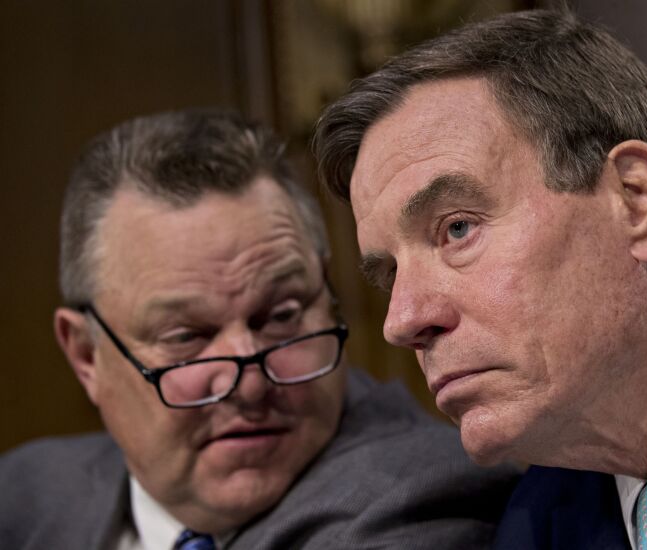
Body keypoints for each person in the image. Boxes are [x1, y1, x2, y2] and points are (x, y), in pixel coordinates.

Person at [313, 8, 647, 550]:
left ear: (636, 202)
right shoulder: (532, 525)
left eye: (457, 229)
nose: (402, 321)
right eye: (389, 273)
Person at [0, 110, 518, 549]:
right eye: (186, 337)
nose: (250, 383)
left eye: (281, 316)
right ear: (86, 355)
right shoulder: (26, 494)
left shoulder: (417, 497)